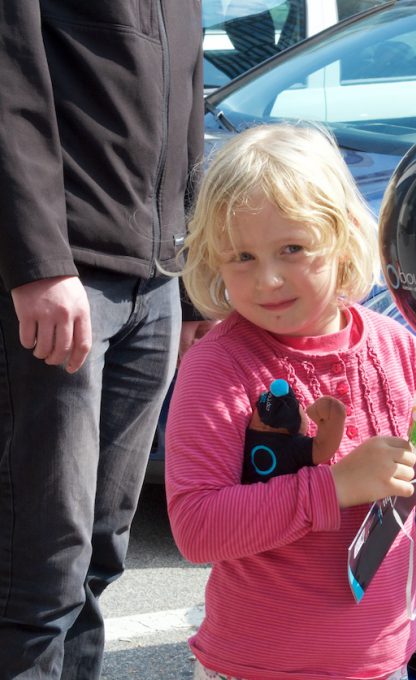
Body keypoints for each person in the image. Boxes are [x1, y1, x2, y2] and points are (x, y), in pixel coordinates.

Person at [166, 123, 416, 680]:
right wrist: (335, 487)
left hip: (380, 664)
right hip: (256, 667)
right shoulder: (217, 367)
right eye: (241, 258)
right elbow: (197, 527)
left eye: (292, 248)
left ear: (342, 236)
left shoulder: (400, 350)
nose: (269, 279)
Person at [0, 3, 206, 677]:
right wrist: (38, 262)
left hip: (155, 281)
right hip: (69, 276)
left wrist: (195, 281)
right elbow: (10, 82)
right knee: (40, 560)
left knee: (99, 551)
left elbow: (189, 103)